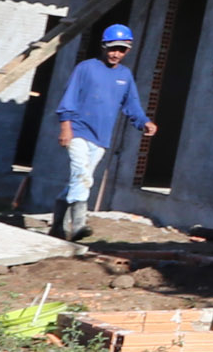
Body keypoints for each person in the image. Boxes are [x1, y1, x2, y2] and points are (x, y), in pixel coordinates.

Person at [49, 23, 155, 240]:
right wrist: (65, 127)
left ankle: (57, 226)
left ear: (128, 50)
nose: (116, 54)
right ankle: (78, 224)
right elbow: (68, 99)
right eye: (112, 48)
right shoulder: (85, 68)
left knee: (79, 179)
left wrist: (144, 122)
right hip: (78, 131)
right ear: (103, 46)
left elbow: (131, 105)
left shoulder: (125, 76)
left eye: (122, 50)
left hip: (100, 138)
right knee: (82, 176)